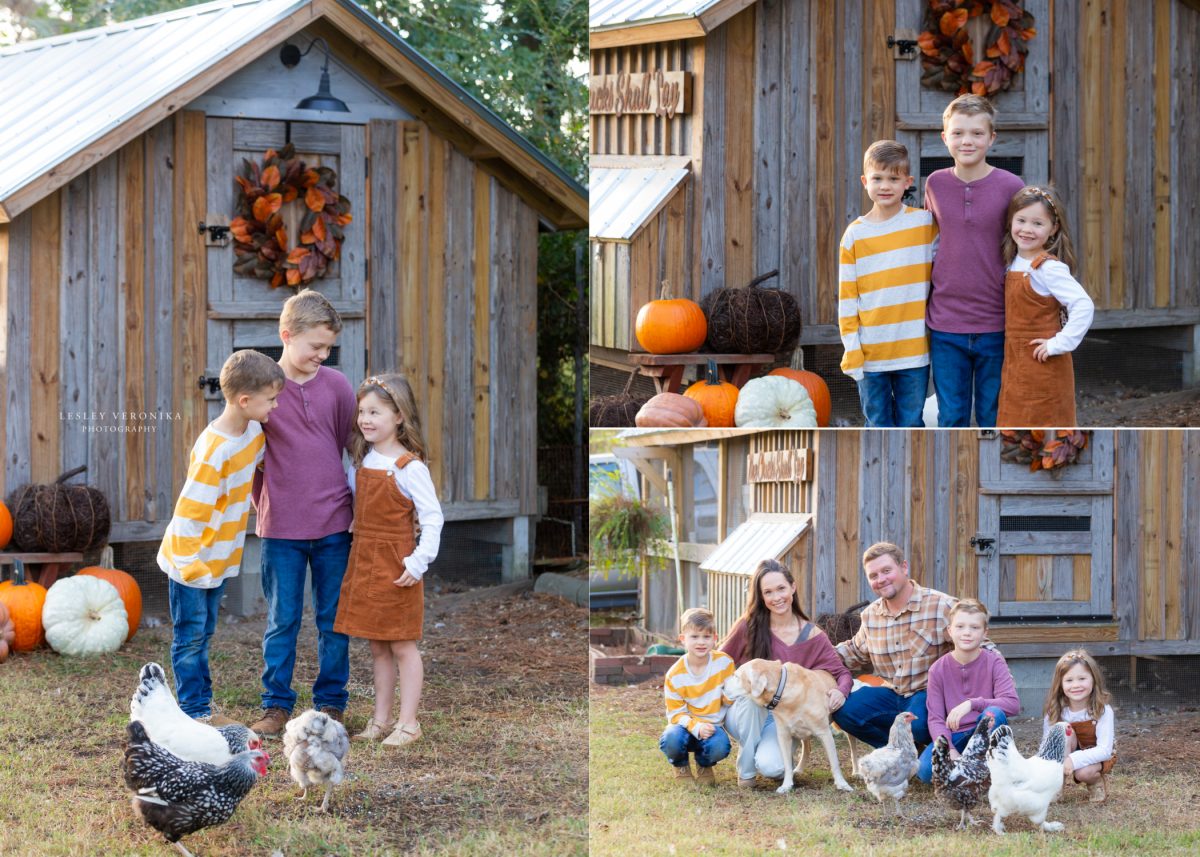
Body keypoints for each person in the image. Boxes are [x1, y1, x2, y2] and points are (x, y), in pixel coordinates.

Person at [251, 289, 359, 739]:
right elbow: (247, 453)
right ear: (286, 335)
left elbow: (351, 446)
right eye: (315, 346)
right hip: (281, 530)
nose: (322, 354)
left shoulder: (336, 386)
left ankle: (331, 703)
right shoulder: (263, 389)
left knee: (335, 619)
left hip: (335, 524)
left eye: (328, 347)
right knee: (283, 619)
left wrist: (360, 507)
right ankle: (276, 705)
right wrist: (263, 503)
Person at [157, 349, 283, 724]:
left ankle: (202, 706)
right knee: (190, 638)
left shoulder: (253, 433)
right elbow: (191, 514)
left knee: (205, 633)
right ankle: (194, 713)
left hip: (218, 557)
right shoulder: (215, 450)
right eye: (271, 400)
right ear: (245, 401)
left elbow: (257, 468)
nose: (275, 406)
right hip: (191, 561)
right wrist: (193, 566)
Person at [334, 373, 443, 747]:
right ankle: (380, 720)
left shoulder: (410, 467)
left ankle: (409, 722)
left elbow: (433, 519)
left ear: (399, 416)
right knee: (377, 644)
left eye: (376, 412)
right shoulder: (361, 462)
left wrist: (416, 564)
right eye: (362, 411)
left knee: (402, 644)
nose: (366, 419)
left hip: (397, 565)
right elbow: (361, 505)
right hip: (364, 560)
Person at [833, 542, 996, 750]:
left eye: (886, 571)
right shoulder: (870, 615)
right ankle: (902, 753)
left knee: (919, 725)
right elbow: (854, 652)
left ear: (904, 567)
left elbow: (982, 644)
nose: (880, 579)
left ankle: (933, 748)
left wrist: (996, 683)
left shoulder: (941, 605)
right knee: (845, 712)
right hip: (892, 692)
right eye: (873, 576)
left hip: (930, 692)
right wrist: (813, 656)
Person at [925, 94, 1026, 427]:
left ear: (992, 138)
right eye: (958, 133)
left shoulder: (1012, 186)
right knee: (951, 416)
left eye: (976, 133)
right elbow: (932, 242)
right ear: (945, 138)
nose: (966, 141)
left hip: (996, 322)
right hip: (945, 323)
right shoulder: (935, 184)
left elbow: (1023, 246)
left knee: (993, 416)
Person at [720, 560, 851, 788]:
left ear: (793, 587)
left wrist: (841, 692)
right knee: (752, 703)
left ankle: (765, 753)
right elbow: (719, 663)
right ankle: (746, 772)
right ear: (761, 597)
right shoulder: (747, 627)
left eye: (781, 588)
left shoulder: (812, 635)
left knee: (773, 767)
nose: (776, 597)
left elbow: (842, 673)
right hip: (745, 713)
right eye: (768, 592)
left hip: (782, 717)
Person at [838, 139, 938, 427]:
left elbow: (948, 264)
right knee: (878, 425)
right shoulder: (855, 236)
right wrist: (852, 348)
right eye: (877, 178)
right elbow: (847, 298)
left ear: (907, 182)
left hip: (913, 351)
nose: (885, 186)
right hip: (871, 354)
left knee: (911, 424)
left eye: (893, 179)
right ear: (864, 181)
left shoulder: (924, 225)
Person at [996, 186, 1094, 426]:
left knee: (1044, 426)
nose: (1027, 229)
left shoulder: (1048, 268)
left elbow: (1083, 305)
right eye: (1021, 220)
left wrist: (1059, 343)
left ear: (1053, 229)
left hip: (1042, 364)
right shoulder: (1013, 263)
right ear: (1011, 222)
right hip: (1015, 363)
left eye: (1038, 224)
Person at [916, 598, 1019, 783]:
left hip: (985, 730)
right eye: (960, 626)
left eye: (974, 627)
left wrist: (972, 703)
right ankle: (973, 771)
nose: (967, 633)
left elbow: (1012, 704)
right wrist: (950, 750)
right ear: (950, 631)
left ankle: (982, 768)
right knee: (925, 771)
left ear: (985, 632)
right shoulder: (938, 669)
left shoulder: (994, 662)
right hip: (955, 736)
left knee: (993, 713)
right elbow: (936, 718)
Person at [659, 607, 735, 785]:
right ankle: (680, 765)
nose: (701, 642)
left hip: (712, 726)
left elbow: (730, 696)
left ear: (715, 638)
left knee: (719, 746)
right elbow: (675, 714)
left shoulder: (724, 663)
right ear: (683, 639)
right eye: (694, 637)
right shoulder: (675, 675)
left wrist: (733, 694)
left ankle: (704, 764)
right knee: (671, 738)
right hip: (683, 726)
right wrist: (696, 726)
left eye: (706, 637)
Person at [1043, 649, 1115, 803]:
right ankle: (1056, 787)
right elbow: (1047, 746)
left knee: (1084, 773)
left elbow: (1105, 750)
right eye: (1069, 680)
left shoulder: (1102, 710)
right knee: (1062, 730)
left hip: (1095, 755)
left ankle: (1095, 783)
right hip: (1066, 752)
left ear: (1093, 679)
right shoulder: (1055, 711)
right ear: (1060, 684)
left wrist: (1073, 760)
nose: (1076, 685)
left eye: (1082, 678)